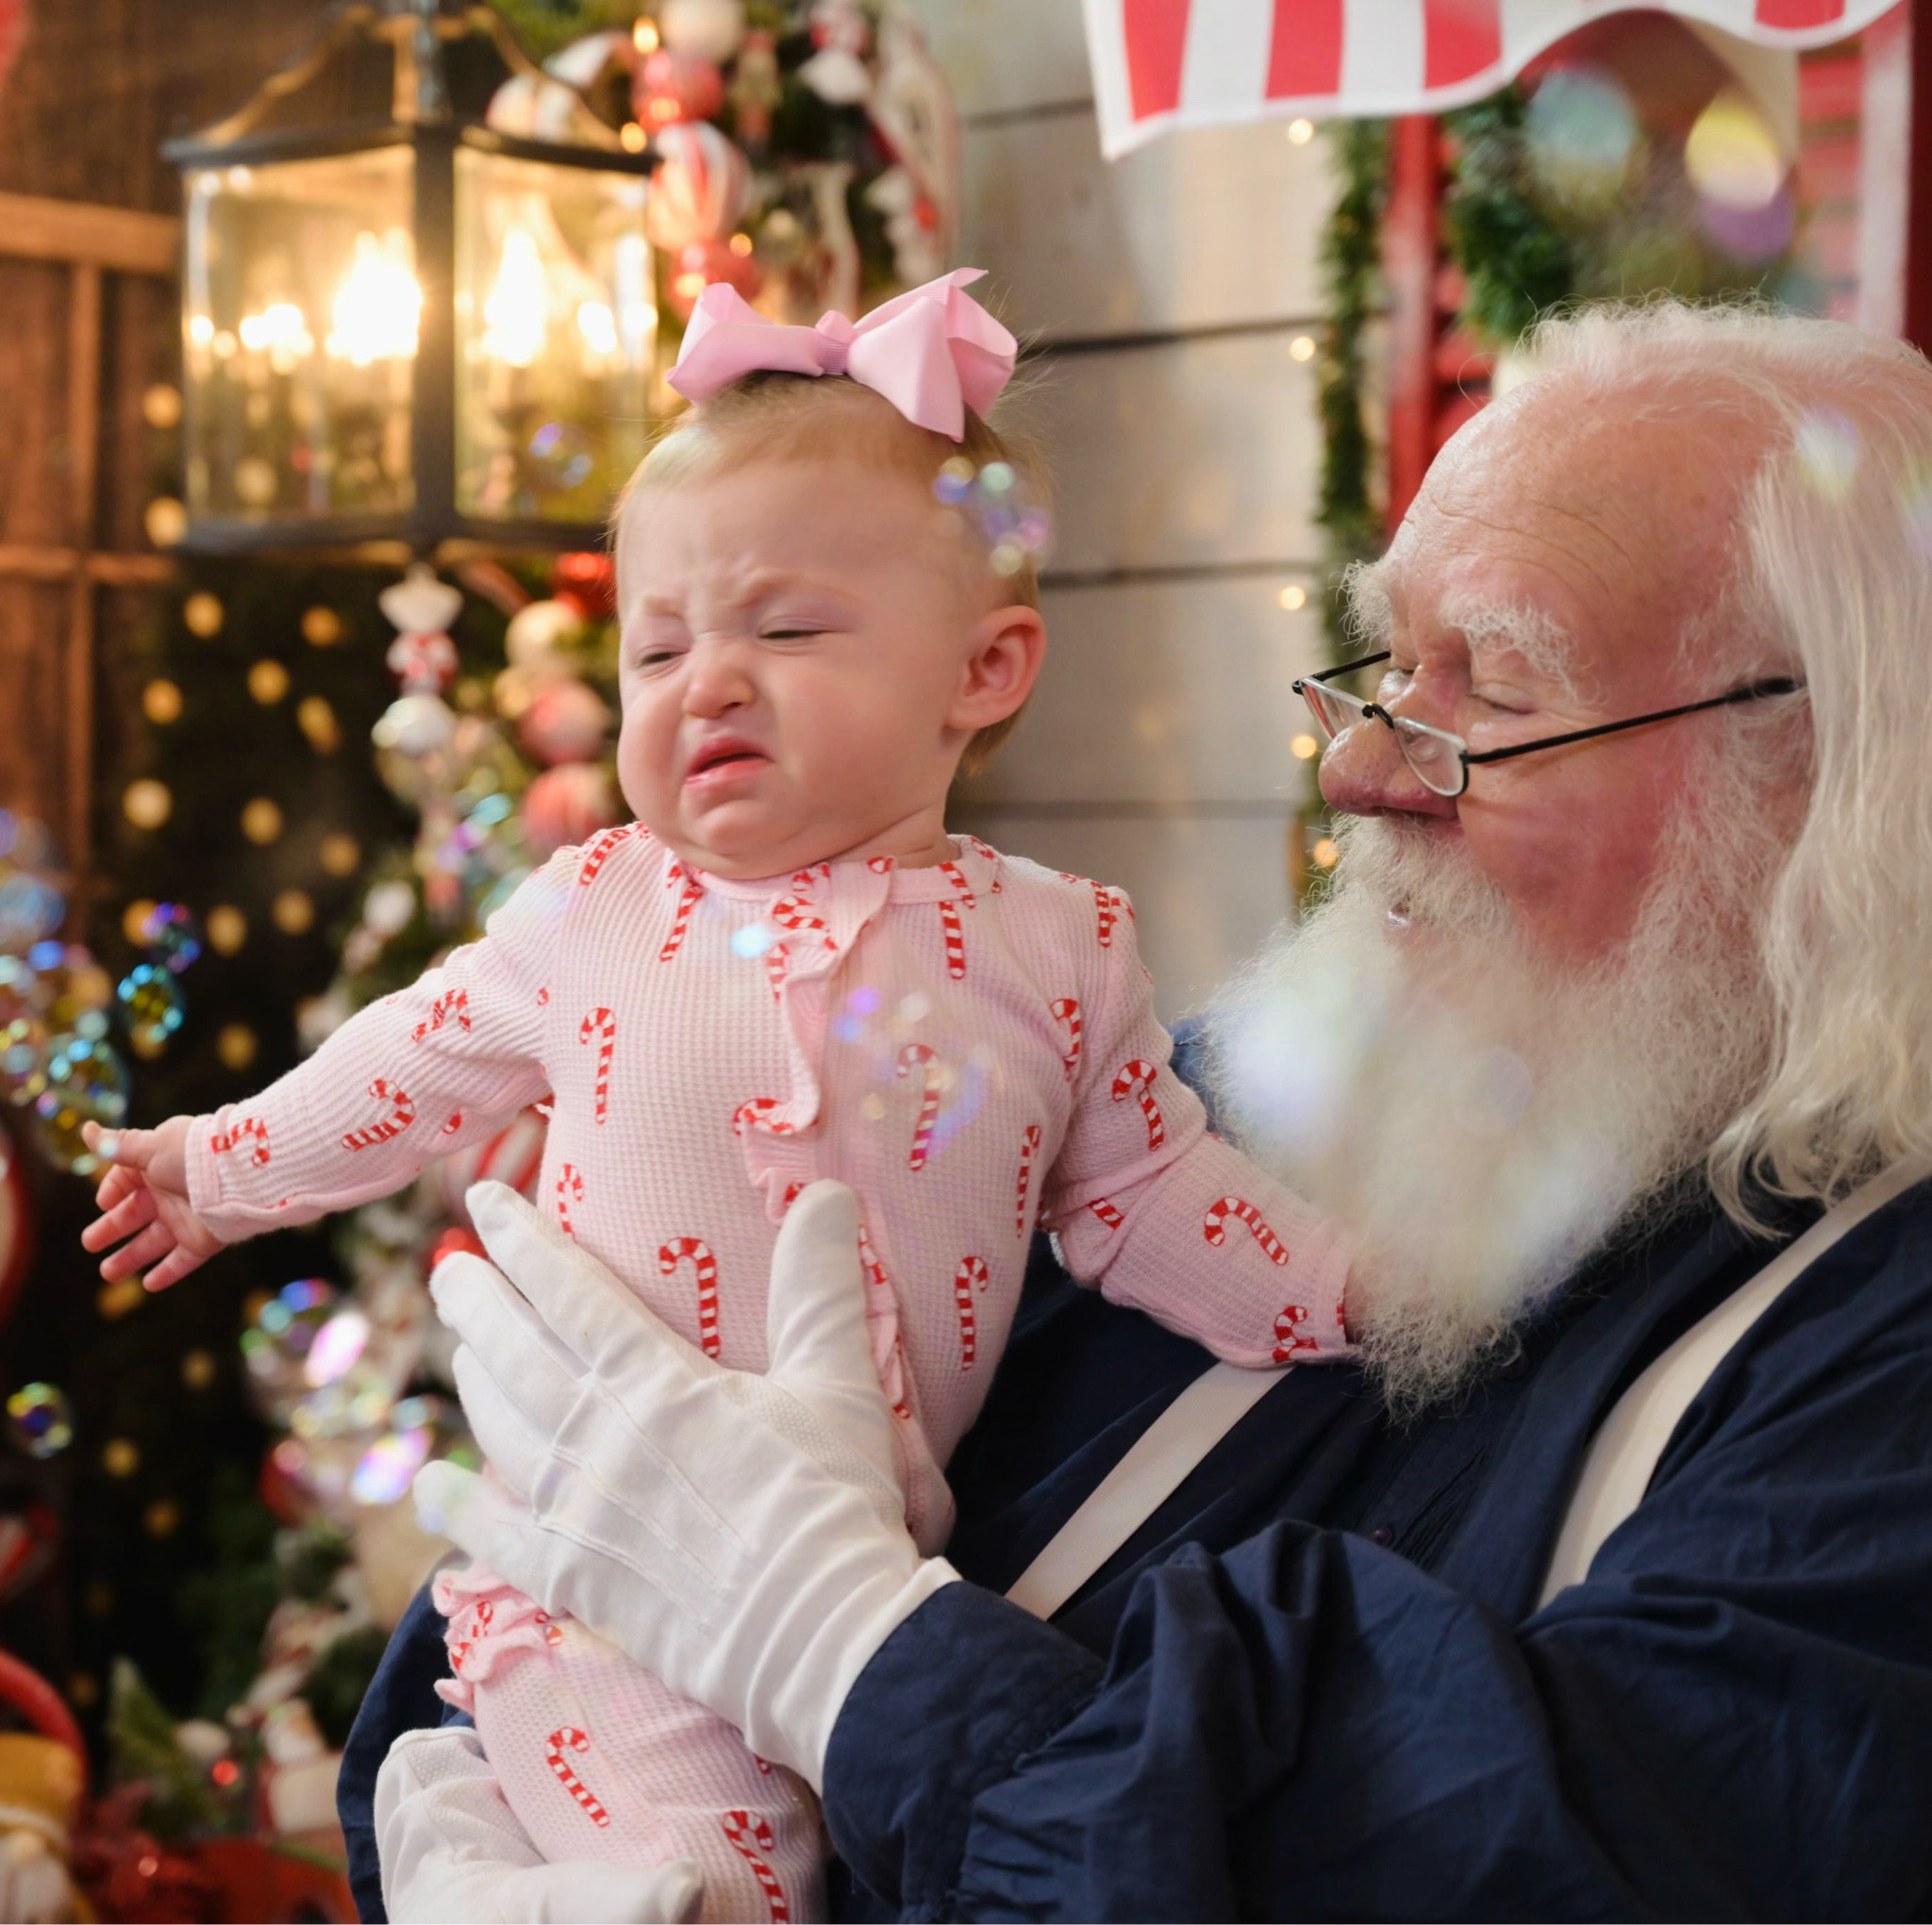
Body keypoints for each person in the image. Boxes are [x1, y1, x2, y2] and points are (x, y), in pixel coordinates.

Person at [342, 299, 1932, 1920]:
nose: (1364, 771)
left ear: (1825, 773)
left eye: (1499, 689)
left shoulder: (1888, 1358)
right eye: (1389, 667)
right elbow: (546, 1605)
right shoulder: (1238, 1096)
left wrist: (854, 1658)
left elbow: (1504, 1872)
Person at [82, 271, 1356, 1923]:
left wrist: (1349, 1293)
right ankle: (497, 1865)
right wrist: (212, 1167)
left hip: (863, 1576)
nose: (709, 682)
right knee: (727, 1886)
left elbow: (1150, 1197)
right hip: (612, 1559)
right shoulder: (597, 908)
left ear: (986, 667)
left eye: (788, 627)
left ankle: (469, 1839)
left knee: (830, 1854)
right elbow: (399, 1064)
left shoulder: (1057, 949)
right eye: (659, 645)